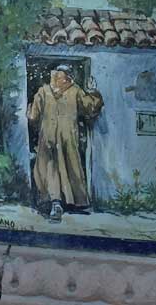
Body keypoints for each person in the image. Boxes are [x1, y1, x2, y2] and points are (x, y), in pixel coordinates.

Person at [27, 65, 104, 221]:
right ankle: (70, 201)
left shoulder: (43, 91)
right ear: (68, 75)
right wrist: (93, 92)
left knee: (50, 168)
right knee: (69, 167)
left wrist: (30, 111)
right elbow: (90, 108)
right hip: (68, 136)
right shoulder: (75, 90)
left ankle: (55, 202)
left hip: (48, 136)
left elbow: (33, 116)